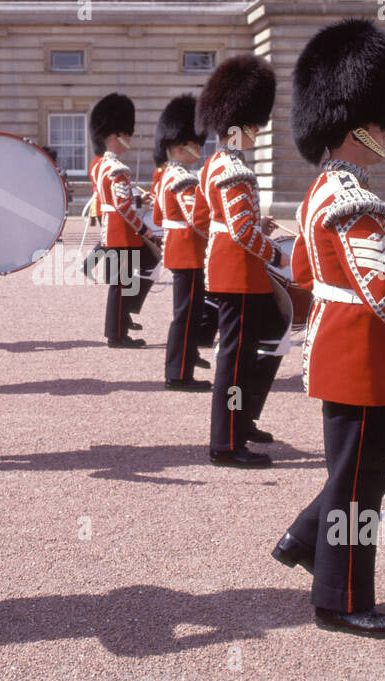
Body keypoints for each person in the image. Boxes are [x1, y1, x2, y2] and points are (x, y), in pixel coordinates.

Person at [271, 18, 385, 639]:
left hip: (339, 342)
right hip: (363, 351)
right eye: (379, 123)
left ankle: (307, 538)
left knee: (372, 463)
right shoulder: (356, 199)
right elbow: (380, 291)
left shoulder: (322, 190)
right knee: (358, 483)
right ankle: (340, 600)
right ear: (356, 125)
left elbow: (303, 267)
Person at [193, 57, 288, 466]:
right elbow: (242, 233)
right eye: (254, 126)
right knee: (234, 361)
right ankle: (226, 442)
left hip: (231, 270)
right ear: (238, 125)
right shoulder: (234, 171)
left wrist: (253, 225)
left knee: (259, 347)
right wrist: (280, 255)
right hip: (240, 275)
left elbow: (204, 220)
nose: (257, 133)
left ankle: (243, 419)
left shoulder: (214, 165)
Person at [87, 93, 157, 348]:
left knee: (147, 264)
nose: (129, 140)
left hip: (113, 228)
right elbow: (123, 207)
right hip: (122, 232)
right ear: (117, 136)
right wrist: (144, 229)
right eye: (127, 135)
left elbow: (115, 200)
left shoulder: (100, 166)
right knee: (121, 283)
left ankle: (124, 317)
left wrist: (139, 202)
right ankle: (116, 334)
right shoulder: (118, 169)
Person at [153, 94, 212, 391]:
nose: (199, 149)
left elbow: (157, 213)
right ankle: (179, 375)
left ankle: (180, 369)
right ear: (180, 146)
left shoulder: (165, 175)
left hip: (178, 249)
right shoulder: (184, 178)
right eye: (195, 143)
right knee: (187, 317)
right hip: (189, 252)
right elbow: (198, 220)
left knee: (186, 315)